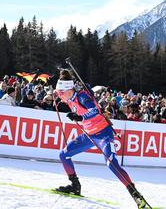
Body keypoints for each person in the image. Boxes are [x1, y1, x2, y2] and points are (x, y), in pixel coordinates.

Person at [54, 69, 147, 208]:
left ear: (68, 89)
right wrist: (53, 81)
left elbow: (95, 110)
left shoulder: (82, 96)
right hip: (89, 135)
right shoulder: (69, 96)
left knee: (111, 164)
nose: (60, 95)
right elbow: (57, 91)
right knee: (63, 155)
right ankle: (75, 186)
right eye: (59, 93)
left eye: (61, 92)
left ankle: (136, 195)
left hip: (104, 134)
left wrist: (81, 117)